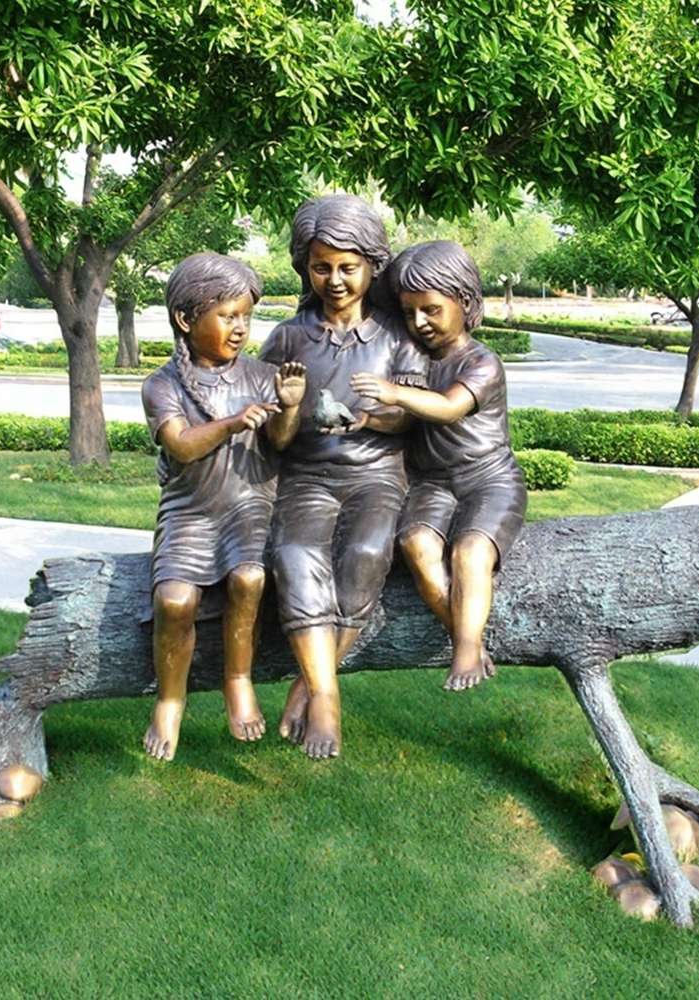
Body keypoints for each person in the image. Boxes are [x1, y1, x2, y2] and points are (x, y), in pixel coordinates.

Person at [259, 195, 428, 759]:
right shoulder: (286, 338)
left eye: (348, 268)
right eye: (321, 267)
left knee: (369, 546)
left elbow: (412, 414)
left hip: (377, 473)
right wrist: (287, 408)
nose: (334, 280)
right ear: (304, 267)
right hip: (306, 476)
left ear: (373, 265)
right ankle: (327, 697)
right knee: (294, 553)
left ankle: (310, 682)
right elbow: (275, 441)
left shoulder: (397, 338)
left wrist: (376, 414)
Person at [140, 253, 306, 761]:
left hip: (249, 503)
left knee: (249, 579)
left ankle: (239, 679)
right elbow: (182, 446)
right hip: (190, 510)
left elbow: (278, 442)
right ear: (186, 320)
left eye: (245, 317)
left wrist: (290, 405)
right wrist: (233, 423)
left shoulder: (259, 375)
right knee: (173, 601)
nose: (239, 328)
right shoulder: (162, 384)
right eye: (227, 316)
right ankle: (170, 700)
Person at [351, 240, 526, 690]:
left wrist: (392, 392)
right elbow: (407, 420)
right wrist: (368, 419)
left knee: (470, 552)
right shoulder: (416, 361)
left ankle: (465, 647)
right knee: (415, 543)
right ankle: (466, 636)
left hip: (488, 479)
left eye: (430, 310)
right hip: (432, 481)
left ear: (464, 303)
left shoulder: (482, 362)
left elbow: (448, 408)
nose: (419, 322)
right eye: (409, 313)